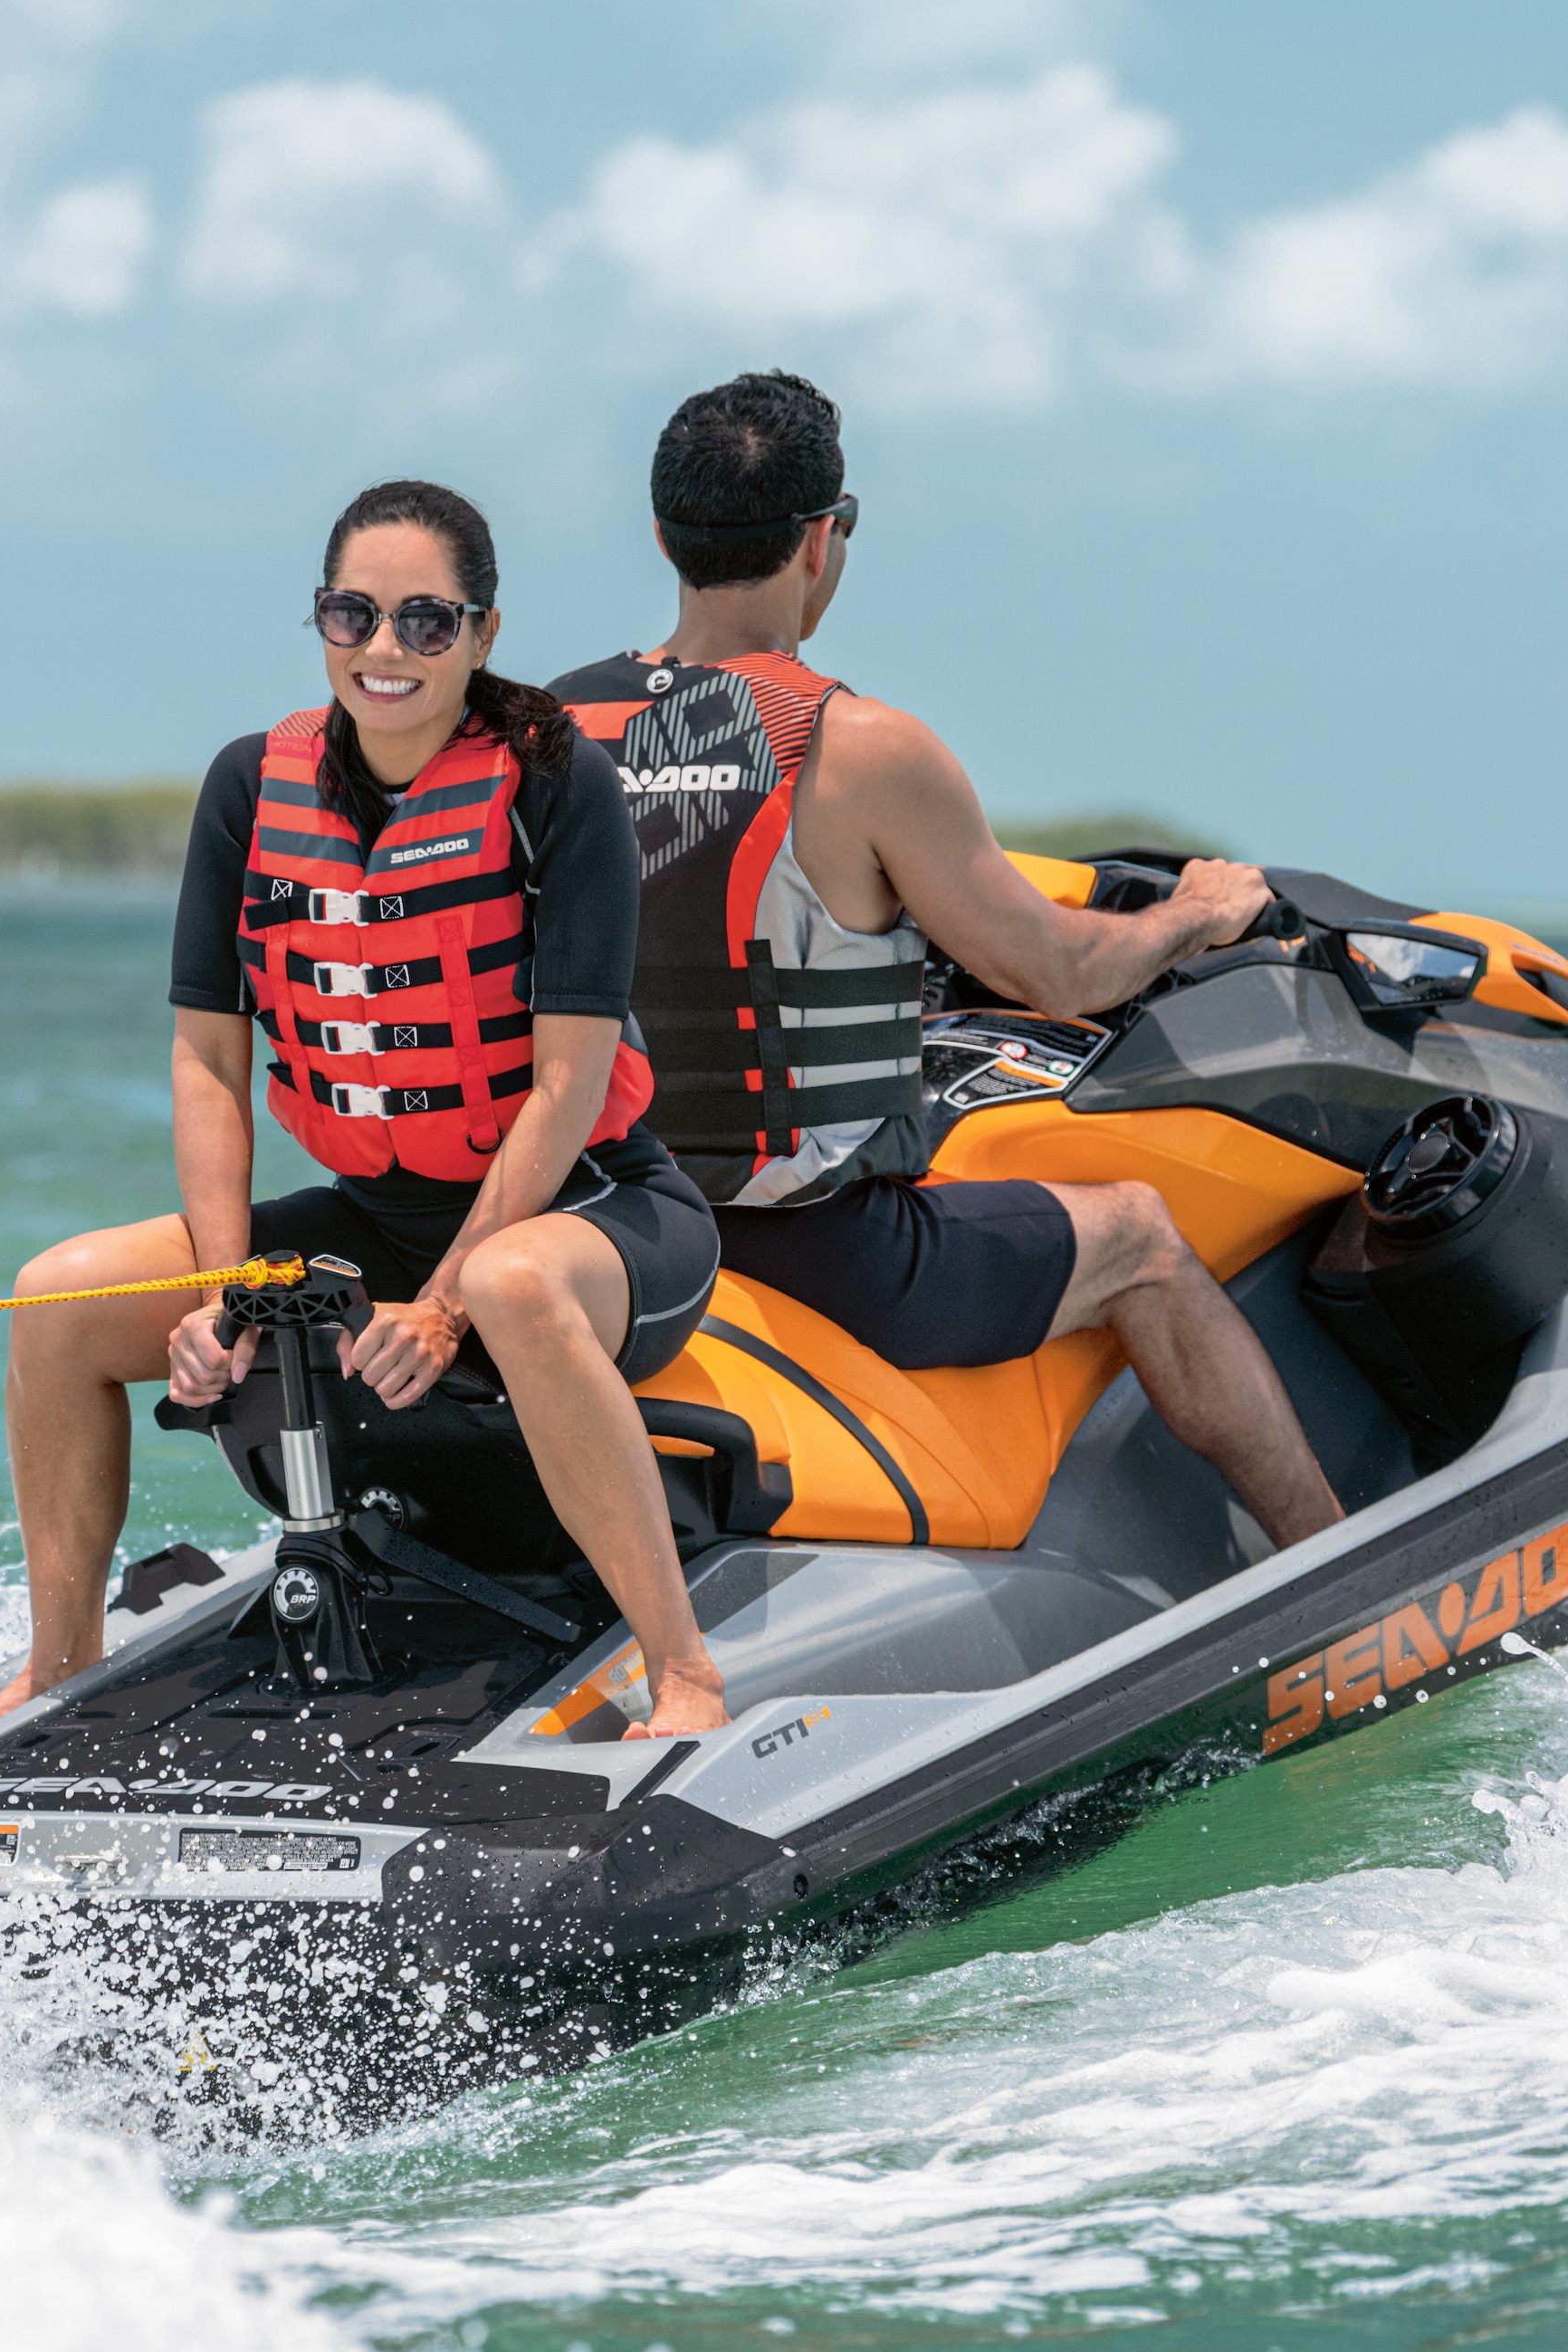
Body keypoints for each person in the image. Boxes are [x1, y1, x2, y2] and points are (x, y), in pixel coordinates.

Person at [0, 479, 733, 1737]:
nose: (385, 650)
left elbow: (570, 1084)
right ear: (320, 622)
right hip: (379, 1216)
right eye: (354, 614)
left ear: (483, 633)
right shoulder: (251, 789)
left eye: (426, 622)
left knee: (514, 1282)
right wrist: (215, 1291)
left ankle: (683, 1671)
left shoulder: (553, 787)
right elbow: (208, 1065)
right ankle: (58, 1665)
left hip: (598, 1211)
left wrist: (453, 1297)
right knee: (60, 1297)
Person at [552, 370, 1344, 1552]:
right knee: (1140, 1235)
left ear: (665, 533)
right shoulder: (858, 746)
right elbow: (1065, 974)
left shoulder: (551, 733)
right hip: (834, 1249)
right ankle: (1334, 1563)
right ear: (823, 540)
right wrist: (1194, 915)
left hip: (624, 1229)